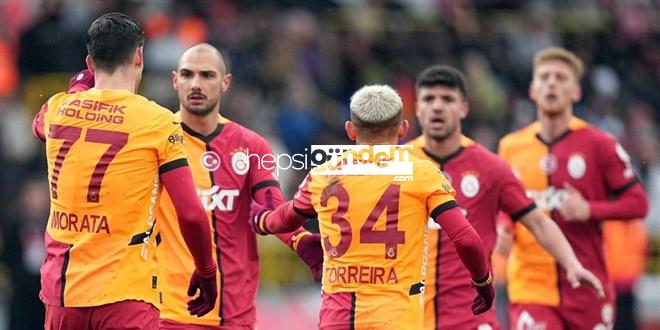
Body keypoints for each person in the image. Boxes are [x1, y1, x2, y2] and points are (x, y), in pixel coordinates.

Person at [252, 84, 495, 329]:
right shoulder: (423, 174)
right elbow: (466, 239)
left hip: (337, 319)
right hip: (395, 318)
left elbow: (281, 221)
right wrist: (483, 283)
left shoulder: (323, 175)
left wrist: (258, 218)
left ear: (350, 130)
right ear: (403, 129)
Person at [31, 12, 217, 329]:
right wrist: (206, 272)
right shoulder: (157, 121)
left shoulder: (58, 108)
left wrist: (80, 88)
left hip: (62, 295)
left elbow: (39, 125)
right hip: (125, 294)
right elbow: (191, 214)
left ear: (90, 63)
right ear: (139, 56)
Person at [408, 65, 605, 330]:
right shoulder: (397, 165)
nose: (437, 107)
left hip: (471, 317)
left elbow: (537, 222)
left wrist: (571, 263)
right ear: (417, 107)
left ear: (464, 108)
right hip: (408, 315)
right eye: (429, 99)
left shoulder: (490, 167)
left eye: (447, 99)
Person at [156, 43, 323, 329]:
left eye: (207, 75)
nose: (196, 84)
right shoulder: (155, 139)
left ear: (225, 82)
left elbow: (273, 209)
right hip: (168, 311)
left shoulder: (251, 145)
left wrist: (303, 242)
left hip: (234, 312)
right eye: (187, 74)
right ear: (175, 80)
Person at [498, 47, 649, 329]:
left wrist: (589, 209)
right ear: (532, 89)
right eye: (544, 77)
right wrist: (504, 227)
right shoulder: (511, 147)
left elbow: (638, 203)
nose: (552, 83)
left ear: (576, 92)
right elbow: (508, 205)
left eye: (560, 77)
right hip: (531, 287)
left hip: (587, 285)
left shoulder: (599, 144)